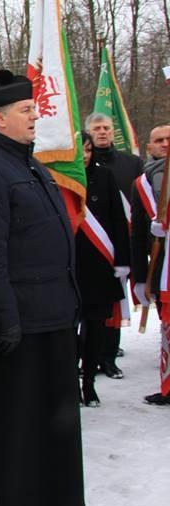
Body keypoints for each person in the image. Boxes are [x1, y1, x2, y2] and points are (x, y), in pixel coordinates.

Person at [0, 69, 84, 506]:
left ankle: (52, 492)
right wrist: (4, 316)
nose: (36, 116)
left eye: (34, 109)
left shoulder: (30, 163)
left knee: (52, 417)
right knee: (18, 422)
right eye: (26, 111)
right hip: (21, 322)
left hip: (53, 313)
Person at [85, 112, 142, 378]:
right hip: (88, 245)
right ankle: (88, 357)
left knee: (114, 306)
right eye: (97, 128)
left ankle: (109, 356)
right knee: (91, 310)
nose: (103, 132)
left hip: (117, 243)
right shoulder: (79, 166)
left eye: (107, 127)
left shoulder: (131, 163)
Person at [75, 132, 130, 407]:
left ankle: (89, 383)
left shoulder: (105, 176)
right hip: (71, 267)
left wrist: (123, 260)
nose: (85, 154)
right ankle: (71, 379)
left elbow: (118, 220)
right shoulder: (61, 178)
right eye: (80, 149)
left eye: (88, 149)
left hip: (99, 265)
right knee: (69, 330)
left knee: (96, 328)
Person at [129, 123, 170, 405]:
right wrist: (140, 277)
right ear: (150, 147)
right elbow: (137, 233)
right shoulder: (142, 184)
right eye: (159, 140)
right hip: (163, 269)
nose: (165, 144)